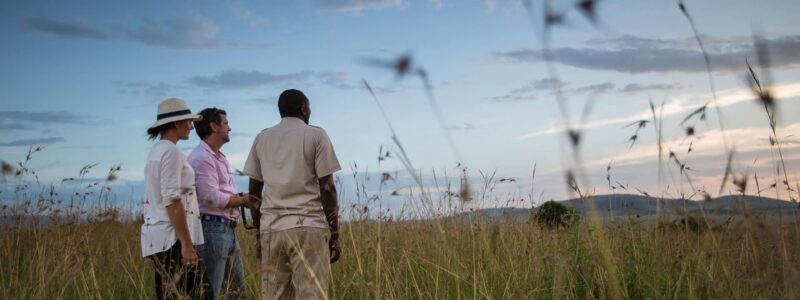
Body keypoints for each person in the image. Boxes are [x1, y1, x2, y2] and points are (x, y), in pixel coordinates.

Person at [243, 89, 341, 299]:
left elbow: (253, 192)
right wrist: (335, 233)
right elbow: (328, 188)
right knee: (310, 294)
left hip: (272, 229)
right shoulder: (316, 135)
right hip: (307, 226)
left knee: (274, 295)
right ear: (303, 108)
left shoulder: (262, 138)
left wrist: (260, 232)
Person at [141, 97, 207, 299]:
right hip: (173, 239)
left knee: (168, 294)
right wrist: (186, 243)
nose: (191, 126)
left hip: (159, 237)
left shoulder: (156, 151)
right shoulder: (171, 152)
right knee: (193, 294)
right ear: (176, 123)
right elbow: (171, 199)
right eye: (188, 121)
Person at [188, 108, 253, 299]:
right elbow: (212, 198)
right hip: (212, 229)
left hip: (226, 230)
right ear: (214, 126)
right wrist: (244, 200)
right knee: (211, 293)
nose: (230, 128)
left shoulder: (218, 157)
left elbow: (222, 193)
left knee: (237, 294)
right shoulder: (201, 158)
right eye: (226, 123)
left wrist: (241, 196)